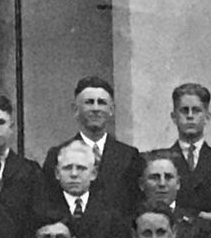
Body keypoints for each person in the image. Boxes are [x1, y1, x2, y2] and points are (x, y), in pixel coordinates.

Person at [42, 75, 144, 216]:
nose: (96, 108)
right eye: (89, 102)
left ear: (111, 109)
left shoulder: (129, 156)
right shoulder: (58, 154)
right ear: (75, 109)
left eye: (101, 102)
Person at [164, 80, 211, 220]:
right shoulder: (163, 161)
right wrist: (198, 216)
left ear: (207, 117)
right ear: (174, 117)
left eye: (196, 110)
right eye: (184, 110)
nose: (190, 116)